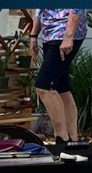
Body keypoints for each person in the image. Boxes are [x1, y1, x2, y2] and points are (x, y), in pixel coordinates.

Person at [28, 9, 87, 143]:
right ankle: (72, 138)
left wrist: (68, 37)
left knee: (43, 86)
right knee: (62, 89)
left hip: (64, 35)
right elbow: (40, 7)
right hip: (49, 34)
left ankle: (61, 138)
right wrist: (33, 36)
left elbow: (77, 5)